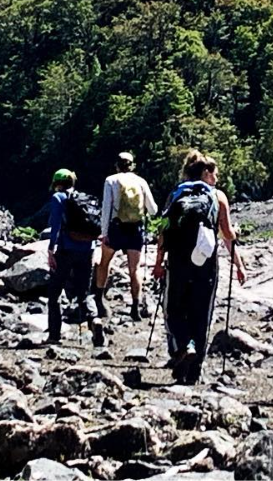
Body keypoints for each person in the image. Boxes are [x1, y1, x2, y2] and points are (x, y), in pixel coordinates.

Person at [153, 150, 246, 384]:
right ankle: (195, 371)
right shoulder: (218, 197)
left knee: (173, 309)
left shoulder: (176, 194)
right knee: (202, 312)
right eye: (215, 174)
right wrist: (239, 264)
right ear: (206, 173)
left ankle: (184, 347)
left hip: (177, 260)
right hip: (206, 262)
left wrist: (158, 262)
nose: (217, 179)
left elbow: (163, 228)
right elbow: (227, 234)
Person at [95, 151, 158, 321]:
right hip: (135, 229)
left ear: (117, 165)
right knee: (134, 269)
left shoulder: (111, 180)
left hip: (116, 227)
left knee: (104, 262)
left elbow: (106, 208)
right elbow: (153, 209)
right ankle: (135, 307)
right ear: (132, 165)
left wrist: (104, 233)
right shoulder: (141, 182)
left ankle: (99, 300)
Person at [46, 169, 98, 343]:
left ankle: (54, 335)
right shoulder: (84, 198)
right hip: (88, 249)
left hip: (66, 250)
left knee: (54, 292)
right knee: (84, 292)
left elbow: (55, 226)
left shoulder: (58, 198)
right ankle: (95, 320)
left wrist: (51, 250)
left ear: (57, 184)